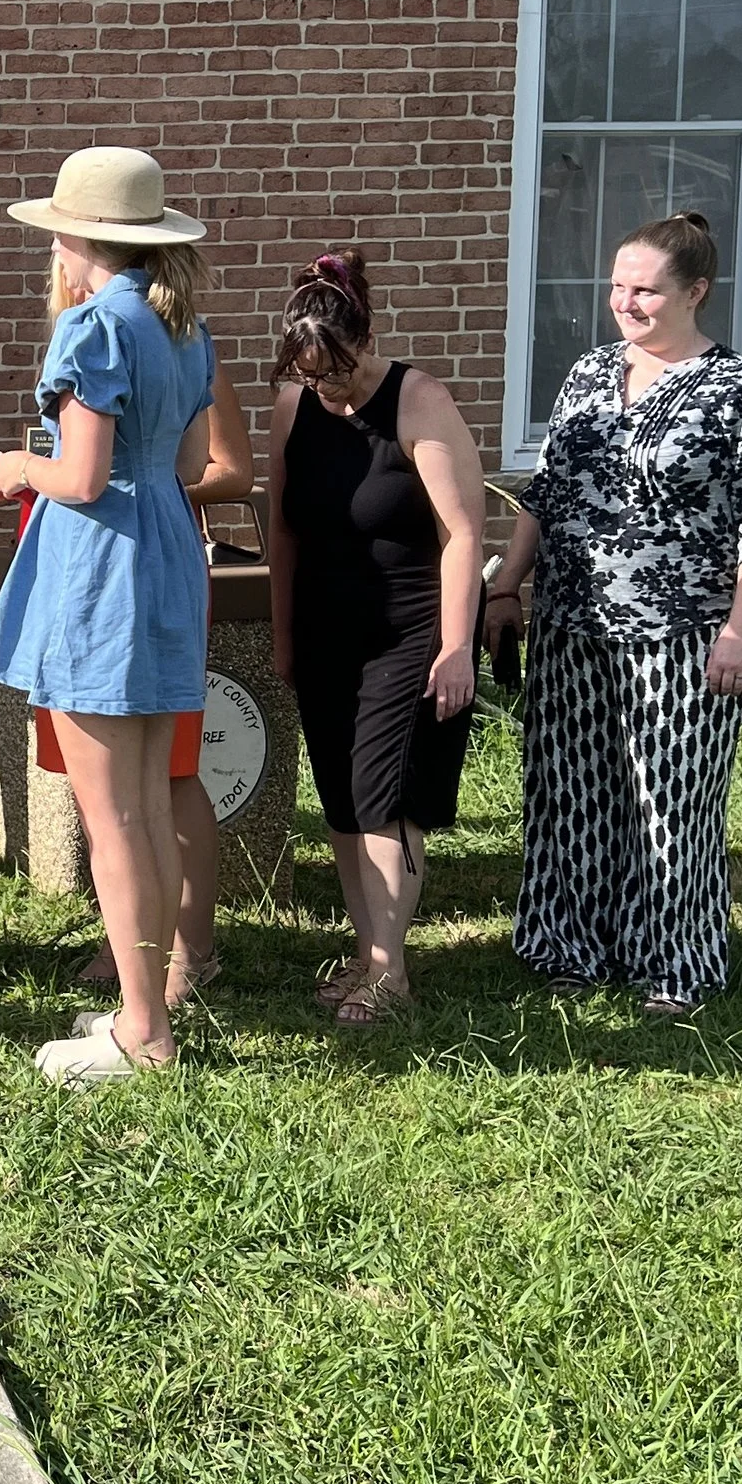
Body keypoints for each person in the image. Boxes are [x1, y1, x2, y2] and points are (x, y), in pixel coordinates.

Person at [493, 212, 742, 1018]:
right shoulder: (589, 373)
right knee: (570, 791)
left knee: (671, 799)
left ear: (696, 292)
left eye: (646, 290)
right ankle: (569, 946)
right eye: (618, 286)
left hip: (685, 631)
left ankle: (675, 963)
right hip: (571, 623)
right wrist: (506, 585)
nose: (625, 302)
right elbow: (548, 491)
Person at [0, 147, 215, 1087]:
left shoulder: (91, 329)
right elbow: (192, 462)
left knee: (110, 816)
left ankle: (145, 1034)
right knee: (148, 802)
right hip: (166, 550)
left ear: (76, 238)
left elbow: (77, 477)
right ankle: (142, 1005)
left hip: (102, 568)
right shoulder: (186, 325)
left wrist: (14, 467)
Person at [267, 252, 487, 1029]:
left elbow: (463, 531)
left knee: (382, 793)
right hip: (327, 627)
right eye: (314, 374)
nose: (331, 388)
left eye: (342, 371)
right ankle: (367, 954)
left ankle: (392, 974)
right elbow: (283, 531)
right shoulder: (293, 408)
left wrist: (455, 645)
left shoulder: (417, 397)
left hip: (410, 626)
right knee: (338, 796)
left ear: (367, 336)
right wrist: (284, 633)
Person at [68, 362, 254, 1008]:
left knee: (172, 773)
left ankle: (191, 950)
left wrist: (144, 481)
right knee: (107, 780)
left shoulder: (186, 357)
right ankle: (130, 939)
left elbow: (233, 469)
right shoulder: (96, 353)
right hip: (98, 570)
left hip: (156, 562)